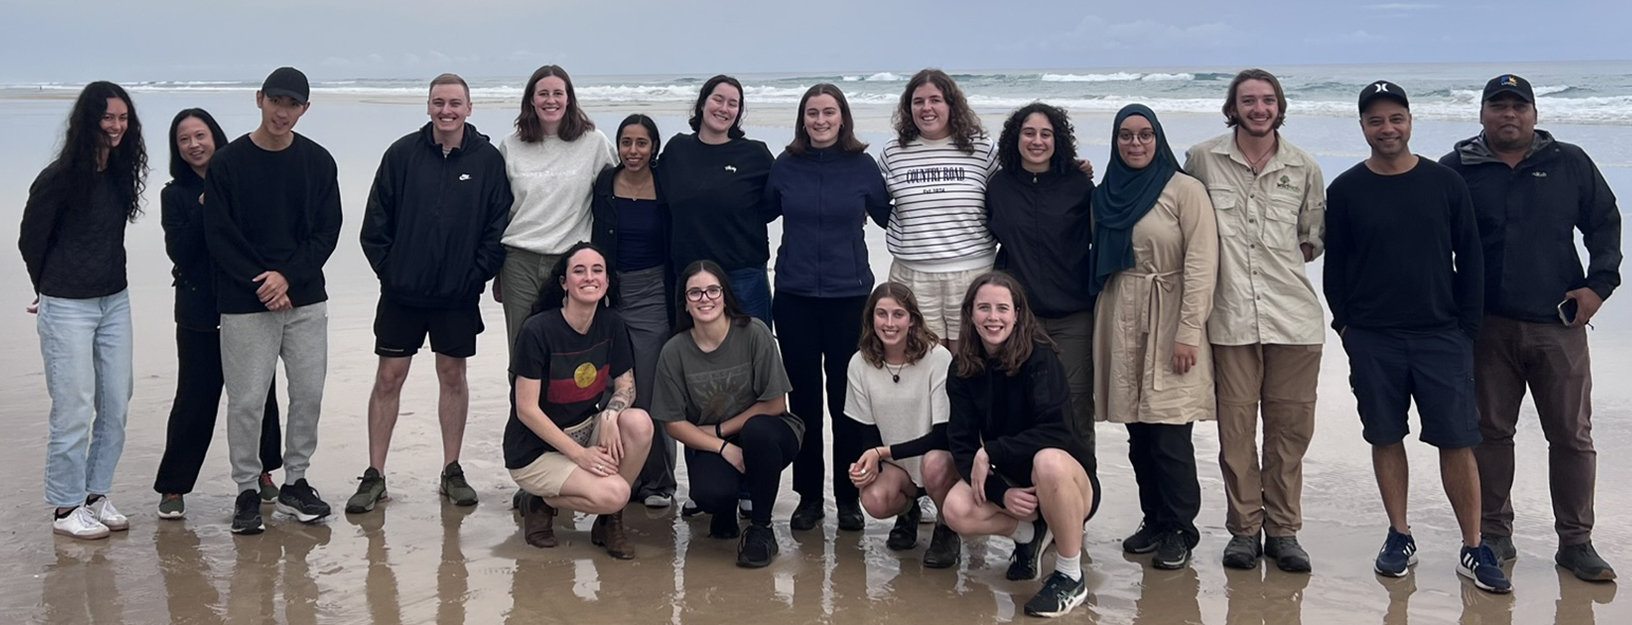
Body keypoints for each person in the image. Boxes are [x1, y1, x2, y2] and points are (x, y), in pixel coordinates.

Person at [1324, 81, 1510, 593]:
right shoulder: (1344, 190)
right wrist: (1347, 327)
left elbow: (1470, 259)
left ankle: (1473, 546)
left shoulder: (1445, 183)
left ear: (1411, 121)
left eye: (1396, 118)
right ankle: (1399, 534)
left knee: (1457, 440)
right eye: (1376, 120)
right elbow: (1335, 268)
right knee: (1385, 436)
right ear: (1362, 126)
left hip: (1440, 336)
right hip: (1374, 339)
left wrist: (1465, 329)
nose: (1387, 128)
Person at [1440, 74, 1622, 582]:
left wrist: (1598, 285)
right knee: (1491, 434)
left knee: (1572, 437)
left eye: (1519, 106)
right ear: (1481, 115)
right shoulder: (1457, 170)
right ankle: (1494, 533)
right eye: (1498, 106)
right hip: (1486, 329)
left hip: (1557, 326)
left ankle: (1576, 542)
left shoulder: (1570, 163)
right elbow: (1432, 242)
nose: (1509, 115)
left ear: (1535, 115)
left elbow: (1605, 223)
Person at [349, 73, 512, 514]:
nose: (447, 110)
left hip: (457, 296)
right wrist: (393, 273)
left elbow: (498, 229)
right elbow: (374, 224)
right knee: (388, 378)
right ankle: (375, 475)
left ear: (469, 108)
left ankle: (452, 470)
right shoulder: (402, 154)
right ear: (428, 106)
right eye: (439, 102)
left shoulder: (487, 161)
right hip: (402, 294)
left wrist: (474, 276)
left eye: (455, 103)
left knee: (453, 376)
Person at [1182, 68, 1325, 573]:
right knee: (1236, 433)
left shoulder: (1304, 166)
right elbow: (1184, 222)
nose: (1259, 109)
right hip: (1229, 320)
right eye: (1249, 100)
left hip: (1294, 322)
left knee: (1289, 433)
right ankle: (1244, 530)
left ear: (1279, 106)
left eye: (1267, 100)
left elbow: (1311, 239)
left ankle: (1283, 531)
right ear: (1234, 106)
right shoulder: (1202, 158)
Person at [204, 66, 342, 535]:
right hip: (245, 302)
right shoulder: (227, 163)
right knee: (246, 400)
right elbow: (220, 235)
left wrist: (287, 277)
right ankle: (246, 488)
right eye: (275, 101)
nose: (282, 112)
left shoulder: (319, 162)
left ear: (305, 109)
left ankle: (296, 482)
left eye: (292, 104)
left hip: (304, 300)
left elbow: (327, 232)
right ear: (259, 98)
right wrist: (263, 283)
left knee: (308, 394)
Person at [1092, 104, 1219, 571]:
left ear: (1158, 138)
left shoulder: (1184, 190)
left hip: (1169, 314)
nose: (1136, 144)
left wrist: (1188, 331)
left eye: (1145, 135)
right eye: (1126, 136)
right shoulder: (1106, 192)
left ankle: (1181, 529)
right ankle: (1154, 519)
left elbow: (1202, 264)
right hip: (1120, 313)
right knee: (1137, 431)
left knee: (1169, 432)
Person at [19, 81, 146, 540]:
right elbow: (31, 239)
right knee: (73, 408)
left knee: (116, 403)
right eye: (107, 117)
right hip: (67, 305)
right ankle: (66, 507)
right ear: (88, 120)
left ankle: (96, 495)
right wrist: (46, 289)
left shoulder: (119, 173)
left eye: (123, 118)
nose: (115, 126)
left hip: (115, 300)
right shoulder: (57, 178)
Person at [764, 83, 891, 532]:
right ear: (803, 119)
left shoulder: (862, 166)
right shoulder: (785, 166)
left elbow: (891, 214)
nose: (820, 120)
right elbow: (757, 211)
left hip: (850, 297)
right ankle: (809, 498)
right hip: (795, 296)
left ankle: (849, 496)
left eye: (828, 112)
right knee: (803, 401)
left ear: (843, 118)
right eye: (812, 113)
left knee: (847, 401)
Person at [940, 272, 1100, 619]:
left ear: (1017, 314)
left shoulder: (1039, 357)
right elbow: (963, 446)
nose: (993, 317)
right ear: (969, 314)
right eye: (984, 308)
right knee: (956, 510)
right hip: (1017, 483)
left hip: (1068, 480)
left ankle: (1071, 575)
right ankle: (1030, 534)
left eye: (1002, 308)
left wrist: (992, 452)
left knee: (1048, 461)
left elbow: (1057, 433)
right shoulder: (963, 369)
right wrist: (1001, 494)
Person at [152, 108, 285, 520]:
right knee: (196, 396)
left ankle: (262, 471)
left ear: (216, 137)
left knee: (257, 392)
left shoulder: (243, 178)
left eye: (201, 135)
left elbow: (263, 237)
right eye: (184, 139)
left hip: (247, 302)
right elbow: (182, 252)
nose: (194, 145)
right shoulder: (174, 194)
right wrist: (204, 205)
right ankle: (173, 486)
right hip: (200, 310)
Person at [652, 260, 803, 568]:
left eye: (712, 290)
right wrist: (724, 446)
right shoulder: (674, 350)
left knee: (757, 431)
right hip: (714, 442)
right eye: (695, 293)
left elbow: (775, 404)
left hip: (770, 431)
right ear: (684, 302)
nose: (705, 298)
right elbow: (672, 423)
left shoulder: (753, 332)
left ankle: (762, 529)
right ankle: (724, 512)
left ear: (724, 295)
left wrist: (720, 431)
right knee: (711, 495)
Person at [507, 242, 652, 559]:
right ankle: (541, 500)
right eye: (579, 270)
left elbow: (626, 385)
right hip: (535, 450)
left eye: (597, 270)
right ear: (564, 282)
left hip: (585, 430)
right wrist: (581, 456)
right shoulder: (538, 330)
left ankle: (608, 520)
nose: (590, 277)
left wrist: (611, 415)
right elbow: (526, 410)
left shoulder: (611, 322)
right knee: (616, 492)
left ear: (607, 281)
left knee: (639, 423)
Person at [986, 102, 1097, 450]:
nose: (1037, 141)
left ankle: (1080, 493)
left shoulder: (1078, 184)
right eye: (1029, 133)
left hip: (1073, 317)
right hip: (1020, 320)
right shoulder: (999, 186)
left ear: (1057, 139)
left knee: (1075, 409)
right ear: (1015, 138)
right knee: (1021, 408)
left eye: (1046, 134)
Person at [496, 64, 618, 355]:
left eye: (558, 93)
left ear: (569, 99)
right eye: (543, 93)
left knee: (571, 349)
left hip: (572, 262)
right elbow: (499, 210)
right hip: (519, 262)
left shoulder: (594, 143)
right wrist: (496, 272)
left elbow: (621, 190)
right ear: (531, 100)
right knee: (523, 349)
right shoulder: (510, 146)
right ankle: (522, 403)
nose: (551, 100)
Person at [591, 114, 678, 509]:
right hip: (612, 291)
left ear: (654, 147)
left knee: (648, 383)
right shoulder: (606, 183)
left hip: (654, 291)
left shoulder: (666, 184)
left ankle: (659, 480)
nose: (633, 151)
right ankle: (621, 472)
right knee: (612, 385)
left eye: (642, 143)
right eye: (626, 142)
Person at [879, 69, 999, 350]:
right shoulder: (893, 152)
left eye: (936, 100)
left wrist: (1068, 169)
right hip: (912, 276)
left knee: (970, 362)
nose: (927, 108)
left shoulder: (981, 148)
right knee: (924, 363)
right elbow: (873, 200)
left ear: (951, 104)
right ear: (908, 108)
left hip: (972, 273)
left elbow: (1011, 192)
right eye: (918, 101)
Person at [844, 282, 960, 567]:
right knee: (872, 498)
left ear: (912, 319)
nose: (889, 323)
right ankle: (909, 511)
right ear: (871, 319)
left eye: (898, 314)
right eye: (881, 314)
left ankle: (947, 528)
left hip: (940, 461)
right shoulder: (860, 363)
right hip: (900, 466)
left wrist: (881, 453)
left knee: (934, 463)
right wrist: (866, 465)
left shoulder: (938, 358)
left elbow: (943, 436)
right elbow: (868, 434)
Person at [658, 75, 776, 327]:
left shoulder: (755, 155)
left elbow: (778, 202)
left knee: (755, 352)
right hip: (691, 275)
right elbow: (659, 198)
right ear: (702, 103)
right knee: (695, 354)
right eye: (718, 100)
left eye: (733, 104)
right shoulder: (676, 149)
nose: (724, 108)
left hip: (743, 273)